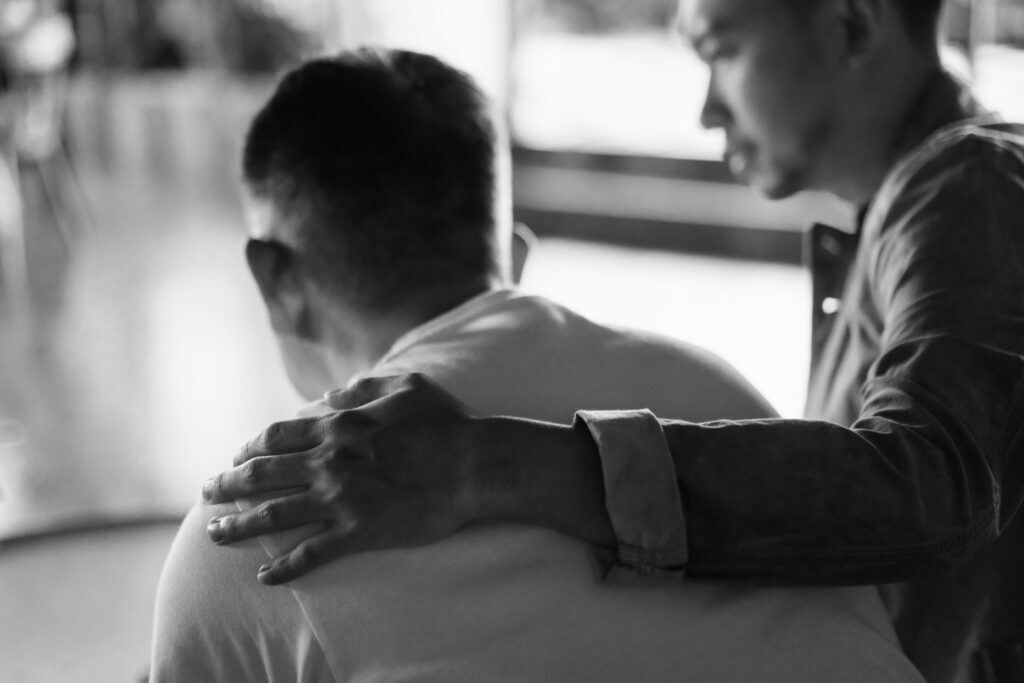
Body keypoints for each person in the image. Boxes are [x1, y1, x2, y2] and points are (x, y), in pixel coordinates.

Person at [200, 0, 1024, 676]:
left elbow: (933, 485)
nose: (707, 106)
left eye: (722, 48)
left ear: (851, 23)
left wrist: (482, 465)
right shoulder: (912, 214)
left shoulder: (968, 186)